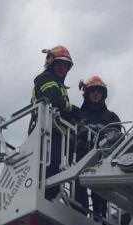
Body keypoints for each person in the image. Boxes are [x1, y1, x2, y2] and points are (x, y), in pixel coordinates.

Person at [32, 45, 80, 200]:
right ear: (51, 64)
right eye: (59, 64)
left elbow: (61, 108)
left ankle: (52, 195)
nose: (62, 68)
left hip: (56, 132)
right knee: (49, 168)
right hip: (45, 131)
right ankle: (46, 195)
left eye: (65, 66)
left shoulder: (58, 84)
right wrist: (75, 112)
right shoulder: (46, 79)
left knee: (57, 168)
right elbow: (56, 101)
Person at [74, 76, 122, 220]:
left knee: (100, 187)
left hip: (103, 160)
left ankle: (99, 216)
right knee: (79, 184)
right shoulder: (78, 115)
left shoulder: (112, 117)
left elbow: (119, 139)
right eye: (92, 91)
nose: (95, 94)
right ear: (87, 94)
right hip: (82, 157)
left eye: (98, 91)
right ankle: (80, 212)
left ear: (103, 95)